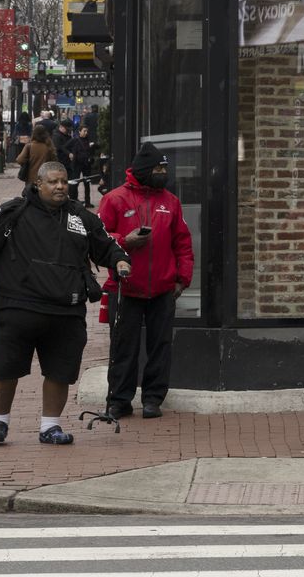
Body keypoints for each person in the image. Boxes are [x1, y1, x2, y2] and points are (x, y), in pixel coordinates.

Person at [0, 162, 129, 445]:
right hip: (17, 304)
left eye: (64, 182)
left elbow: (104, 243)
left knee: (60, 371)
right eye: (53, 182)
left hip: (66, 309)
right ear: (38, 184)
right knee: (4, 368)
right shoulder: (12, 212)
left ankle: (50, 426)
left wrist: (120, 259)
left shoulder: (79, 216)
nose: (60, 187)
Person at [99, 142, 194, 419]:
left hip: (163, 288)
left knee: (160, 347)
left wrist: (182, 279)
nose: (163, 172)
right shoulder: (115, 199)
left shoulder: (171, 202)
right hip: (125, 287)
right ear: (143, 170)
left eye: (165, 167)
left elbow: (183, 244)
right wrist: (125, 241)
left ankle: (153, 398)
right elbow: (98, 238)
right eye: (158, 168)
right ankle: (119, 399)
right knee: (123, 347)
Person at [66, 125, 98, 204]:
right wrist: (69, 153)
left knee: (87, 183)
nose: (86, 133)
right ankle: (73, 200)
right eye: (84, 131)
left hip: (86, 164)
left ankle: (88, 202)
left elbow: (96, 147)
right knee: (75, 182)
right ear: (79, 131)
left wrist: (93, 145)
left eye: (87, 131)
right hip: (77, 164)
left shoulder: (88, 140)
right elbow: (64, 147)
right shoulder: (75, 140)